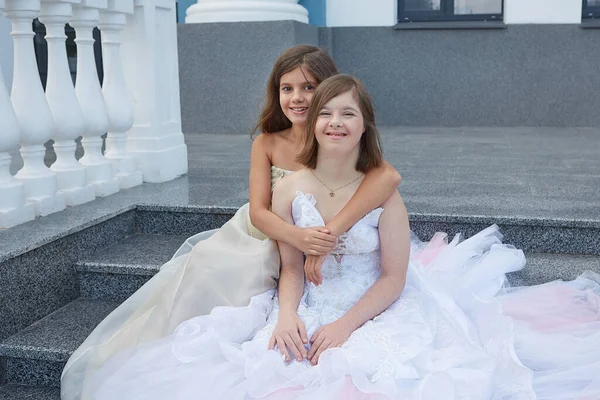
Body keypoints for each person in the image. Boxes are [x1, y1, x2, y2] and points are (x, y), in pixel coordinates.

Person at [89, 75, 600, 399]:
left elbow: (394, 277)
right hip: (307, 301)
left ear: (363, 126)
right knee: (274, 362)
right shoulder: (294, 189)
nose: (334, 122)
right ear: (314, 126)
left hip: (372, 304)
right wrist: (288, 313)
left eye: (347, 114)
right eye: (326, 113)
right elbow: (290, 268)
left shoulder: (383, 192)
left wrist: (345, 325)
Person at [61, 46, 402, 400]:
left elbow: (385, 178)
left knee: (264, 271)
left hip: (314, 233)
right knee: (209, 264)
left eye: (309, 87)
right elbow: (260, 211)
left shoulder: (338, 140)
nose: (298, 98)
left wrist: (326, 237)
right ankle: (180, 337)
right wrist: (301, 240)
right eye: (287, 89)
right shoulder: (268, 143)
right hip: (270, 228)